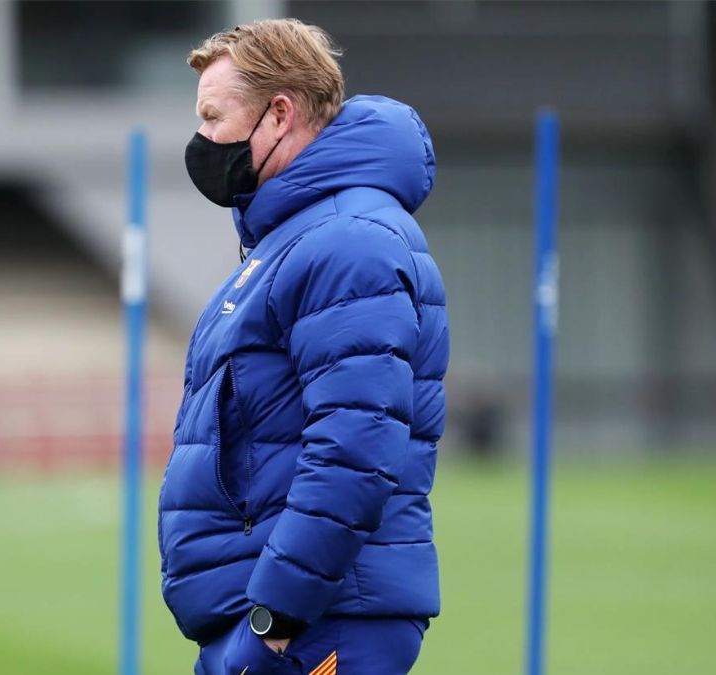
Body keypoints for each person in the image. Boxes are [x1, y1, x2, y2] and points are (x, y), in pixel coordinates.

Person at [159, 19, 450, 674]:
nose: (203, 139)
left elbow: (355, 443)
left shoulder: (347, 241)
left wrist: (277, 617)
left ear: (280, 113)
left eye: (214, 116)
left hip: (313, 620)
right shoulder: (293, 240)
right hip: (276, 616)